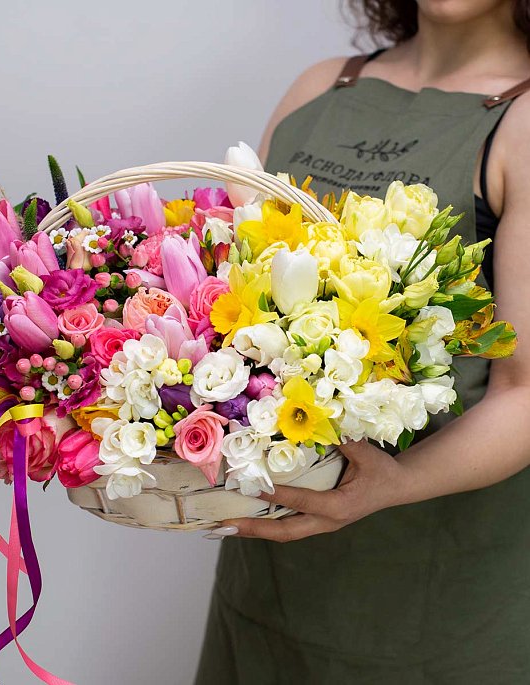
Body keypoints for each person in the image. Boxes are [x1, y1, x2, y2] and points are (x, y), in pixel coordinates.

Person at [194, 1, 530, 683]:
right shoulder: (319, 88)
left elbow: (524, 393)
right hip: (268, 580)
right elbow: (225, 302)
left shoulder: (520, 123)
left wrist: (391, 483)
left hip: (436, 602)